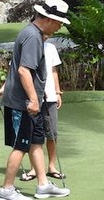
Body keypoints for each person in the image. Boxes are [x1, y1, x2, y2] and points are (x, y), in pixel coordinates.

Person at [0, 0, 71, 200]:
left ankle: (43, 185)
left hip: (31, 102)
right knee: (21, 145)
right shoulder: (32, 37)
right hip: (23, 103)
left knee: (36, 141)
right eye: (59, 22)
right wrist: (33, 100)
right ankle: (6, 190)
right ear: (47, 18)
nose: (60, 26)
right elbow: (23, 70)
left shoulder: (36, 35)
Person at [11, 38, 65, 182]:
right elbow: (19, 71)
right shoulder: (25, 47)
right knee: (34, 134)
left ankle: (52, 166)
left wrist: (58, 92)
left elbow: (53, 71)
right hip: (31, 98)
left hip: (50, 97)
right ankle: (35, 168)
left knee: (52, 133)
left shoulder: (50, 48)